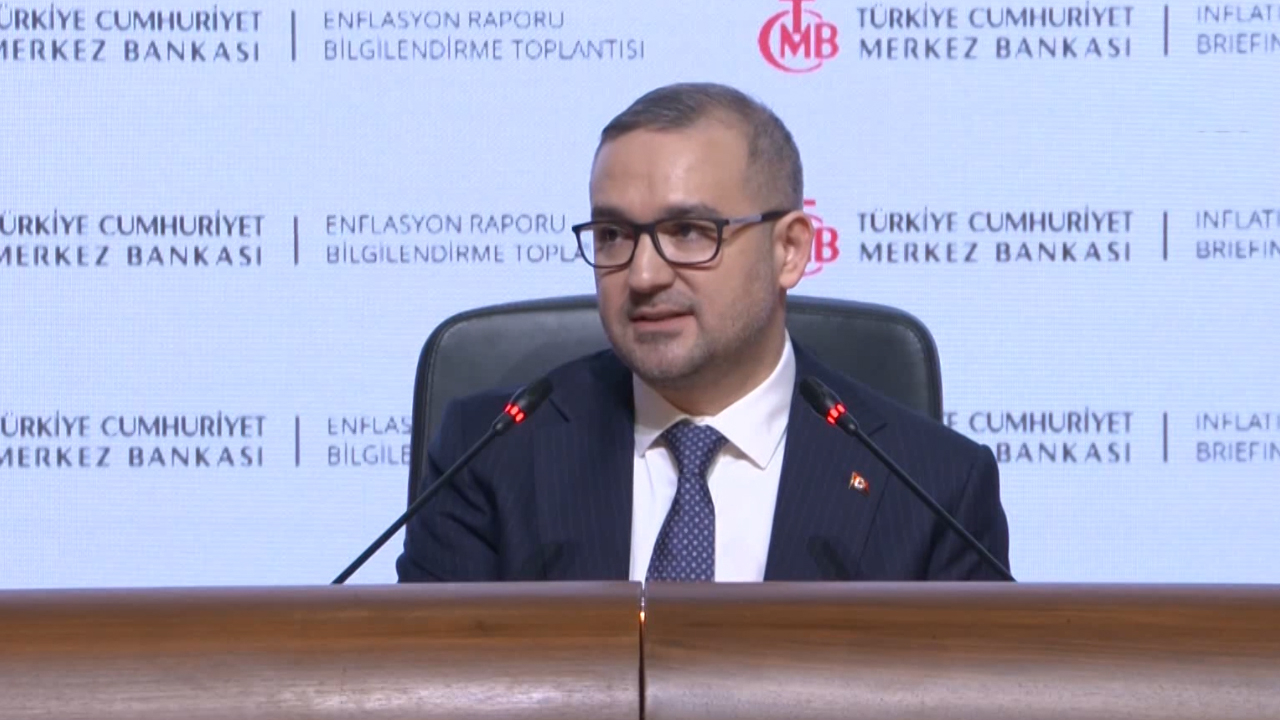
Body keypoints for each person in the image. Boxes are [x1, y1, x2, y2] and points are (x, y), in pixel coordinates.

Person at [396, 82, 1009, 582]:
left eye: (689, 232)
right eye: (613, 235)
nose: (642, 275)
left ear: (790, 250)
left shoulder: (934, 488)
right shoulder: (491, 456)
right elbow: (433, 677)